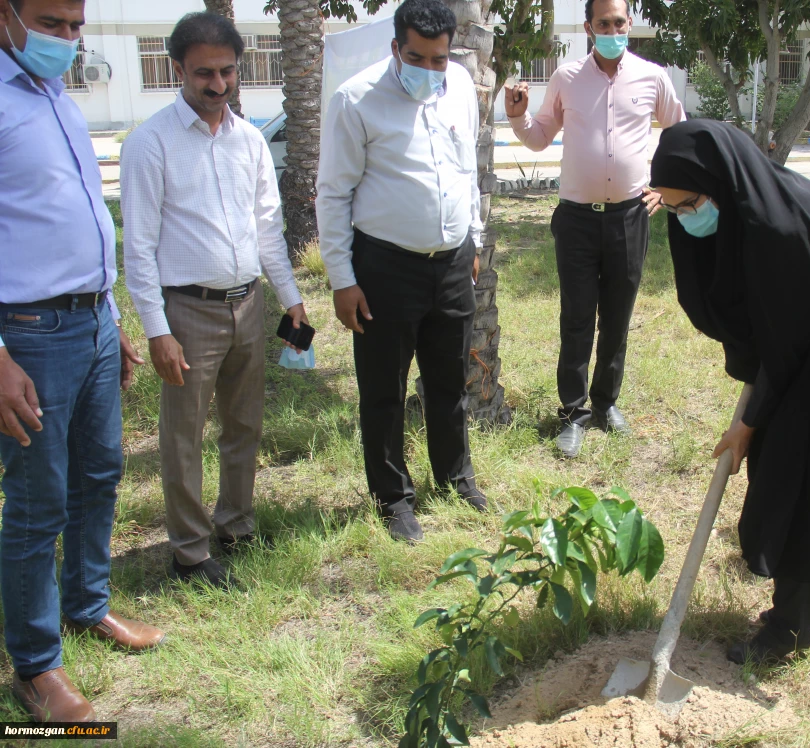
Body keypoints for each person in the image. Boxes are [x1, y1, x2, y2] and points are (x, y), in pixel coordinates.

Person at [649, 119, 810, 665]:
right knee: (809, 475)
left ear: (721, 184)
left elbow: (788, 340)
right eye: (671, 209)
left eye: (689, 204)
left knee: (803, 479)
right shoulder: (736, 212)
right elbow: (752, 320)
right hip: (807, 344)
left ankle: (790, 629)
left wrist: (748, 423)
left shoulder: (779, 227)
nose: (684, 219)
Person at [0, 0, 166, 722]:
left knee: (100, 472)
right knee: (38, 502)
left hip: (92, 321)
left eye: (75, 25)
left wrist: (111, 319)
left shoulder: (56, 97)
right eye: (51, 22)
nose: (67, 39)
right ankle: (36, 668)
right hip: (29, 333)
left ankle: (86, 606)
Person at [122, 12, 307, 589]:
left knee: (244, 425)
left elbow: (267, 229)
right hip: (187, 312)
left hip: (247, 304)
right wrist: (157, 330)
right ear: (178, 69)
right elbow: (139, 249)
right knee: (183, 436)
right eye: (204, 73)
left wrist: (291, 297)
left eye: (228, 72)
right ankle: (190, 553)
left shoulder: (249, 139)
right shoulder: (150, 144)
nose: (218, 84)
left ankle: (236, 524)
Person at [316, 0, 488, 543]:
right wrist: (343, 278)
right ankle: (393, 498)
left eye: (439, 59)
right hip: (385, 266)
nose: (431, 71)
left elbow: (466, 171)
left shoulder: (459, 85)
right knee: (384, 387)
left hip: (454, 261)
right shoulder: (356, 100)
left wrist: (475, 237)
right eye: (418, 58)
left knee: (448, 379)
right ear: (396, 47)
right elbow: (333, 192)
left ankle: (455, 476)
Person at [505, 0, 685, 457]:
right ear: (588, 27)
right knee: (577, 318)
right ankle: (574, 412)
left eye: (619, 22)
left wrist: (665, 190)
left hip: (630, 216)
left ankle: (606, 404)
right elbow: (540, 135)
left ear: (630, 24)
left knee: (618, 317)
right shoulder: (567, 78)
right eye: (603, 23)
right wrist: (517, 115)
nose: (612, 29)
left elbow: (681, 135)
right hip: (577, 220)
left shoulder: (651, 76)